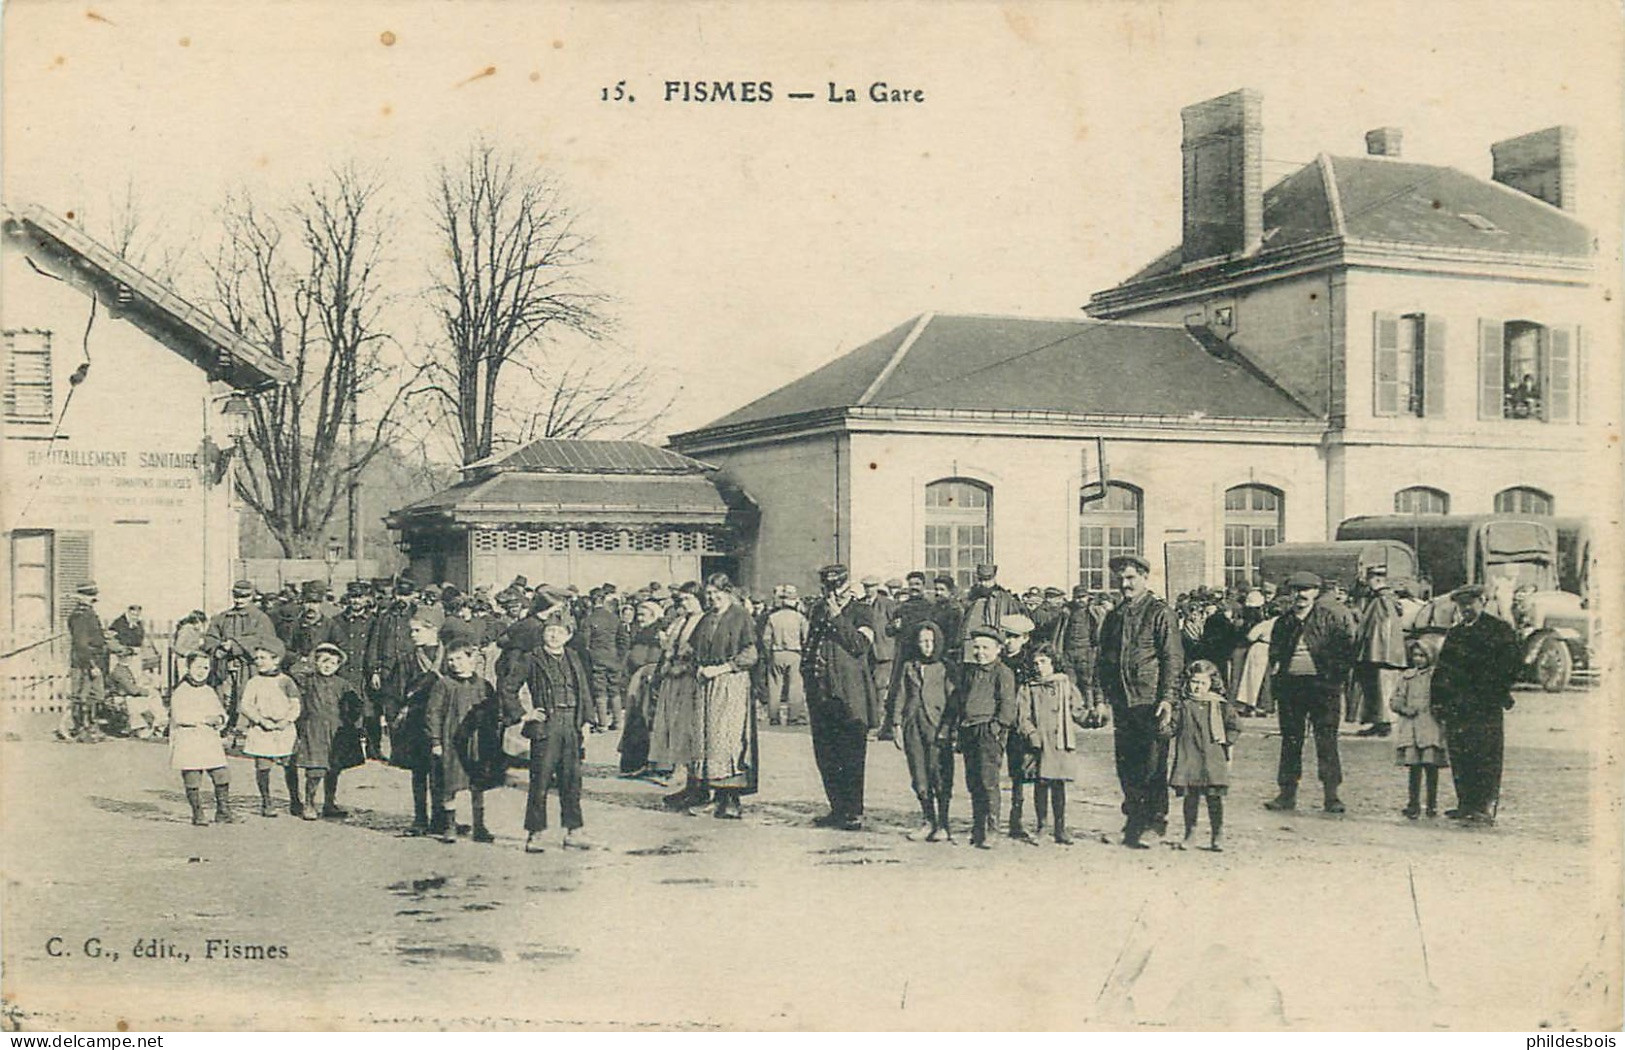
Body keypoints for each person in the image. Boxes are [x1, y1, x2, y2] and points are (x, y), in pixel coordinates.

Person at [1097, 555, 1183, 849]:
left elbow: (1172, 659)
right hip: (1124, 702)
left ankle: (1155, 824)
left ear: (1145, 577)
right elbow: (1103, 659)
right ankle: (1132, 823)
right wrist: (1101, 698)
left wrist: (1168, 699)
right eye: (1121, 579)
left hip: (1151, 702)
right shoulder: (1115, 615)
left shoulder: (1160, 613)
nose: (1125, 584)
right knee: (1127, 765)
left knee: (1153, 765)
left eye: (1131, 578)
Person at [1264, 572, 1356, 813]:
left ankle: (1331, 795)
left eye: (1306, 589)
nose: (1301, 595)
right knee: (1291, 740)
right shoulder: (1283, 623)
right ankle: (1286, 793)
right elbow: (1274, 654)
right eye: (1296, 590)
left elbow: (1345, 651)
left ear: (1316, 592)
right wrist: (1278, 679)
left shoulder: (1330, 619)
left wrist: (1334, 678)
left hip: (1323, 688)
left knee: (1326, 740)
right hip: (1291, 687)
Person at [1431, 585, 1521, 826]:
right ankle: (1465, 803)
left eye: (1470, 604)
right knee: (1460, 754)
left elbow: (1512, 666)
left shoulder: (1499, 630)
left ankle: (1485, 805)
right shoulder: (1456, 633)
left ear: (1483, 601)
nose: (1466, 610)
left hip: (1484, 705)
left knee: (1486, 754)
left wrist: (1495, 691)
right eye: (1461, 606)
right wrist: (1438, 700)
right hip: (1457, 705)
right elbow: (1442, 669)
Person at [503, 618, 593, 853]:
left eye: (560, 631)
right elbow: (508, 687)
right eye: (550, 630)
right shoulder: (531, 658)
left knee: (571, 780)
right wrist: (525, 714)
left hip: (571, 723)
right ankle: (536, 833)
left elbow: (584, 689)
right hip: (546, 725)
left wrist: (585, 722)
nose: (554, 635)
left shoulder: (573, 656)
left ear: (568, 635)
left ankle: (574, 831)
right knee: (540, 780)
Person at [804, 565, 880, 831]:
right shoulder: (817, 610)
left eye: (836, 589)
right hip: (821, 693)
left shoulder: (862, 611)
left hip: (849, 695)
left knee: (851, 754)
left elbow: (859, 645)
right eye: (827, 589)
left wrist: (837, 617)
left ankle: (853, 811)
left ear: (847, 587)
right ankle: (836, 808)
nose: (831, 595)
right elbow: (810, 646)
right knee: (826, 754)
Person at [691, 574, 761, 819]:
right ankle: (715, 795)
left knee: (727, 738)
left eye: (716, 593)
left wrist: (721, 669)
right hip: (707, 683)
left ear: (728, 591)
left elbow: (751, 653)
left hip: (731, 681)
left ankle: (732, 799)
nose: (712, 598)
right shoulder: (707, 618)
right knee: (708, 739)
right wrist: (698, 667)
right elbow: (694, 647)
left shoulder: (740, 616)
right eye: (708, 594)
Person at [427, 635, 504, 844]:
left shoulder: (484, 685)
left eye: (460, 659)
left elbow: (494, 713)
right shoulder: (444, 684)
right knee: (449, 784)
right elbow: (432, 713)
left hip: (477, 743)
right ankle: (449, 825)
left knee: (477, 784)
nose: (455, 664)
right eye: (451, 660)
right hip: (451, 741)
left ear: (472, 659)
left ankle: (479, 826)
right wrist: (435, 741)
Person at [947, 626, 1018, 849]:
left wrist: (997, 727)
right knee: (973, 781)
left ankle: (992, 829)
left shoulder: (1002, 672)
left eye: (985, 648)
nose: (980, 652)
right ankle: (978, 828)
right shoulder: (969, 671)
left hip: (988, 731)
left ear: (998, 649)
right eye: (976, 647)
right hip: (969, 729)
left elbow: (1007, 705)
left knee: (988, 781)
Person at [1015, 643, 1087, 846]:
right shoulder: (1028, 688)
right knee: (1040, 784)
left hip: (1060, 743)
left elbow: (1077, 711)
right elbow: (1023, 717)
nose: (1039, 666)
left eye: (1043, 662)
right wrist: (1031, 735)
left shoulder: (1065, 686)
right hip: (1039, 743)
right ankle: (1041, 826)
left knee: (1058, 784)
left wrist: (1091, 718)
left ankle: (1060, 828)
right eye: (1035, 663)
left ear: (1054, 663)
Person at [892, 621, 956, 842]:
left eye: (930, 641)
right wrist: (896, 724)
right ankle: (928, 820)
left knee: (939, 774)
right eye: (922, 642)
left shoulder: (945, 667)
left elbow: (953, 699)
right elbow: (900, 694)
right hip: (913, 724)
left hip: (937, 726)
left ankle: (943, 824)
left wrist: (949, 728)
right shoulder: (909, 666)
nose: (926, 646)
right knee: (919, 775)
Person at [1167, 658, 1240, 851]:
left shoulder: (1220, 705)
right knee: (1190, 799)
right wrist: (1163, 727)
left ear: (1212, 683)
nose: (1198, 687)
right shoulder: (1183, 705)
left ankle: (1217, 835)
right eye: (1194, 682)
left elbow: (1235, 725)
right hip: (1189, 758)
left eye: (1203, 683)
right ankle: (1189, 834)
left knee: (1214, 799)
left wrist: (1226, 741)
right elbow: (1171, 727)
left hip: (1212, 759)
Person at [291, 642, 366, 822]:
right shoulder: (309, 681)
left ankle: (329, 803)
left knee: (334, 768)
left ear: (339, 665)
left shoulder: (343, 684)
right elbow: (295, 670)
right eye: (323, 661)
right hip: (314, 729)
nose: (327, 666)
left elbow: (356, 705)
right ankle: (309, 803)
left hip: (336, 730)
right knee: (315, 768)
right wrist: (309, 661)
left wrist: (353, 723)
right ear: (316, 662)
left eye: (333, 663)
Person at [393, 604, 446, 836]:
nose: (412, 635)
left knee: (440, 772)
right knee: (419, 771)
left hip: (441, 722)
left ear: (432, 629)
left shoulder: (447, 657)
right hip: (416, 722)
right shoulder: (407, 659)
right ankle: (420, 818)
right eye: (411, 631)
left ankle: (441, 818)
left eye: (417, 631)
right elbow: (396, 692)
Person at [649, 584, 706, 794]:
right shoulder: (681, 621)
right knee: (671, 724)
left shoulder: (704, 621)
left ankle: (687, 772)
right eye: (682, 600)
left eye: (690, 599)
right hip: (672, 678)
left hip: (690, 680)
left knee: (687, 726)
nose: (685, 603)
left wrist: (683, 666)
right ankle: (677, 768)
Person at [237, 637, 302, 818]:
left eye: (263, 658)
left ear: (276, 659)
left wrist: (286, 720)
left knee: (290, 765)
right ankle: (266, 801)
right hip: (262, 728)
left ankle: (295, 799)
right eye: (256, 658)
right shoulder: (254, 682)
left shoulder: (286, 681)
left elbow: (295, 705)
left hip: (284, 728)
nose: (259, 662)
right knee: (263, 766)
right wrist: (260, 720)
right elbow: (246, 705)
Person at [168, 651, 234, 826]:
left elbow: (220, 712)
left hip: (208, 738)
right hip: (189, 738)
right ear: (188, 668)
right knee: (193, 775)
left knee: (221, 773)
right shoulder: (181, 691)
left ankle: (223, 810)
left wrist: (220, 719)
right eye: (198, 667)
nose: (202, 671)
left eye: (205, 667)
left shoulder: (208, 690)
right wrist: (205, 719)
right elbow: (180, 716)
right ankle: (197, 812)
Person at [203, 580, 279, 731]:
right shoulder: (223, 618)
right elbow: (210, 638)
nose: (240, 600)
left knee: (247, 698)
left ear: (251, 596)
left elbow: (267, 641)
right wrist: (217, 649)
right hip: (225, 667)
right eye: (237, 596)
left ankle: (245, 729)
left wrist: (236, 645)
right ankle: (225, 727)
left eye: (244, 596)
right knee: (225, 697)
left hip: (250, 667)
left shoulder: (260, 618)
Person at [1392, 636, 1448, 820]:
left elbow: (1443, 697)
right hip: (1412, 728)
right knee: (1414, 769)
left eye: (1422, 656)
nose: (1418, 659)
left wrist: (1440, 709)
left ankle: (1431, 804)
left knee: (1431, 768)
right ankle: (1413, 803)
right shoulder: (1407, 677)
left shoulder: (1437, 677)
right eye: (1415, 655)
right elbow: (1395, 699)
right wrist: (1404, 708)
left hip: (1431, 727)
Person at [365, 579, 419, 761]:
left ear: (413, 596)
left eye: (406, 595)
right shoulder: (385, 618)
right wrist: (375, 671)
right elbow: (374, 645)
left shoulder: (417, 616)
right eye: (399, 594)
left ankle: (409, 753)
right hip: (388, 673)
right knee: (391, 713)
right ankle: (396, 753)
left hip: (411, 672)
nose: (402, 599)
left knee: (411, 712)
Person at [1000, 613, 1041, 842]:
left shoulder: (1030, 663)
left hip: (1022, 724)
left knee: (1024, 772)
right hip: (1003, 722)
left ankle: (1021, 821)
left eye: (1014, 637)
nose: (1009, 641)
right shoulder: (999, 660)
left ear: (1025, 638)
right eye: (1006, 636)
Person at [1353, 565, 1407, 738]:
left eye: (1369, 580)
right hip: (1381, 652)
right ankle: (1378, 722)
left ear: (1376, 580)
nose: (1367, 584)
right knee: (1377, 689)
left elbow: (1380, 628)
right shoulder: (1385, 599)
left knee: (1381, 689)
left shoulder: (1382, 600)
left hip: (1379, 653)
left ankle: (1384, 724)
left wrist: (1370, 650)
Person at [618, 600, 665, 775]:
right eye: (638, 615)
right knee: (635, 721)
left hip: (649, 682)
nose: (639, 618)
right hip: (637, 681)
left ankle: (650, 763)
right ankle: (636, 763)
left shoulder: (657, 634)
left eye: (643, 615)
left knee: (647, 721)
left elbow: (656, 657)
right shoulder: (641, 632)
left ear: (653, 616)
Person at [61, 581, 109, 743]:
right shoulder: (80, 615)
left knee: (96, 695)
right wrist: (91, 665)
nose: (92, 599)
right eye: (89, 596)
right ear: (81, 597)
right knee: (82, 696)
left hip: (92, 659)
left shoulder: (88, 613)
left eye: (93, 597)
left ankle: (91, 727)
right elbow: (81, 644)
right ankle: (82, 730)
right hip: (84, 662)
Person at [761, 584, 810, 726]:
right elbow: (806, 637)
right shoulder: (800, 618)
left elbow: (766, 638)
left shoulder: (773, 617)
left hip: (777, 653)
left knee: (774, 686)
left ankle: (774, 717)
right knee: (795, 686)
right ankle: (793, 717)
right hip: (795, 653)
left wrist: (769, 652)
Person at [582, 588, 623, 732]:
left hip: (596, 658)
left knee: (600, 690)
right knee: (614, 688)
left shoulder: (589, 619)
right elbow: (623, 639)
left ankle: (603, 723)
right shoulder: (614, 618)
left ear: (592, 601)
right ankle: (618, 722)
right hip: (613, 657)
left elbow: (585, 643)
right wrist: (619, 657)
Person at [957, 563, 1022, 653]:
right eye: (981, 580)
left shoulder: (1003, 598)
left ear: (994, 578)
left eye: (987, 580)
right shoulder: (971, 596)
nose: (984, 583)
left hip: (994, 640)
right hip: (971, 641)